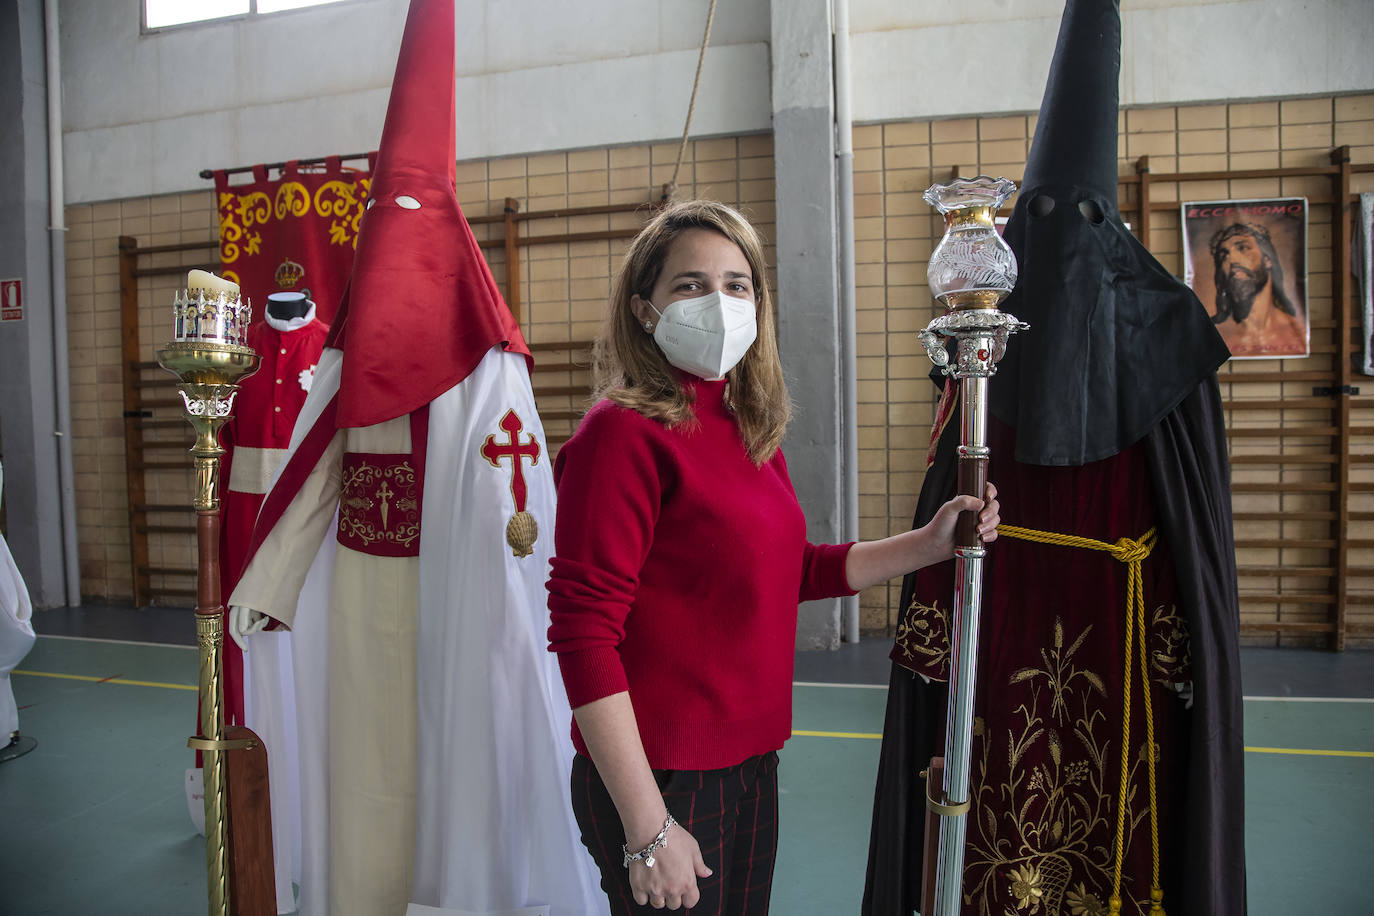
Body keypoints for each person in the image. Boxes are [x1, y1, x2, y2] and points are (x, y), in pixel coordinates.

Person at [863, 2, 1246, 914]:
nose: (1058, 240)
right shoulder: (984, 344)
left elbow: (1191, 540)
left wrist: (1178, 655)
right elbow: (946, 491)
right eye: (1037, 218)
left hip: (1127, 671)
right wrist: (930, 641)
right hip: (993, 645)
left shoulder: (1167, 340)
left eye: (1073, 216)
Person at [546, 198, 999, 914]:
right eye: (690, 284)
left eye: (737, 284)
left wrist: (930, 543)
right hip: (664, 776)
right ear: (643, 309)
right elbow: (581, 631)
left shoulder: (745, 425)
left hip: (750, 758)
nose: (719, 301)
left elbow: (792, 571)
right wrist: (646, 824)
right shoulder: (622, 434)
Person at [1209, 221, 1307, 356]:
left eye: (1242, 248)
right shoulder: (1211, 333)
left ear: (1267, 259)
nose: (1232, 260)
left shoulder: (1297, 329)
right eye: (1224, 255)